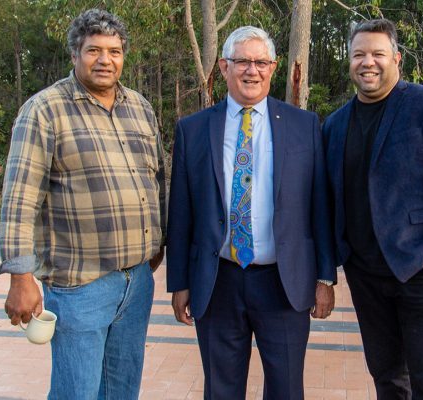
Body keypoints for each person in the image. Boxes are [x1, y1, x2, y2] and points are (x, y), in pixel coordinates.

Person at [0, 9, 166, 399]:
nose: (105, 60)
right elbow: (19, 200)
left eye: (114, 51)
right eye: (94, 50)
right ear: (75, 54)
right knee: (78, 392)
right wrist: (21, 277)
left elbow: (158, 182)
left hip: (137, 283)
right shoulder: (44, 111)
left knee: (122, 391)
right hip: (79, 288)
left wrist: (158, 245)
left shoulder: (140, 108)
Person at [167, 26, 336, 400]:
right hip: (218, 281)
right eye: (242, 61)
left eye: (261, 62)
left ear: (274, 68)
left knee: (287, 388)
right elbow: (181, 214)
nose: (252, 70)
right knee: (221, 389)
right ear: (224, 67)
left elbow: (319, 206)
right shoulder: (193, 130)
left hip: (284, 281)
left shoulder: (304, 125)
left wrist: (325, 276)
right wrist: (179, 281)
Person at [322, 19, 423, 400]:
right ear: (349, 61)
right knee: (388, 381)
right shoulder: (334, 125)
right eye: (359, 54)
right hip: (366, 278)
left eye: (378, 53)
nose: (368, 62)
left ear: (396, 58)